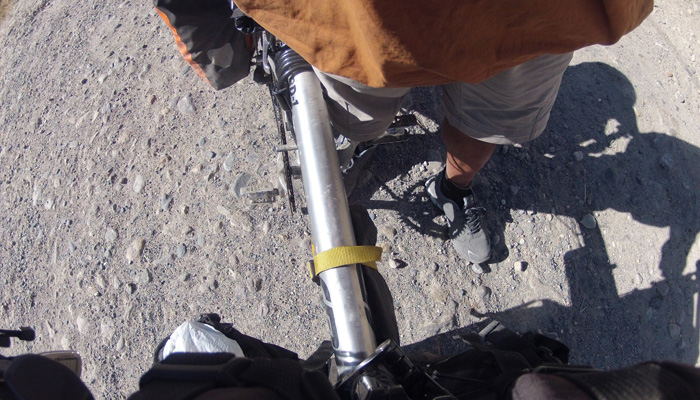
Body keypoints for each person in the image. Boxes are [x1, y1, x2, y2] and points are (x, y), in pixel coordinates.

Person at [155, 0, 653, 264]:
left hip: (533, 16)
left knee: (491, 124)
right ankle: (352, 146)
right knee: (356, 112)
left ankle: (451, 189)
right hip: (358, 15)